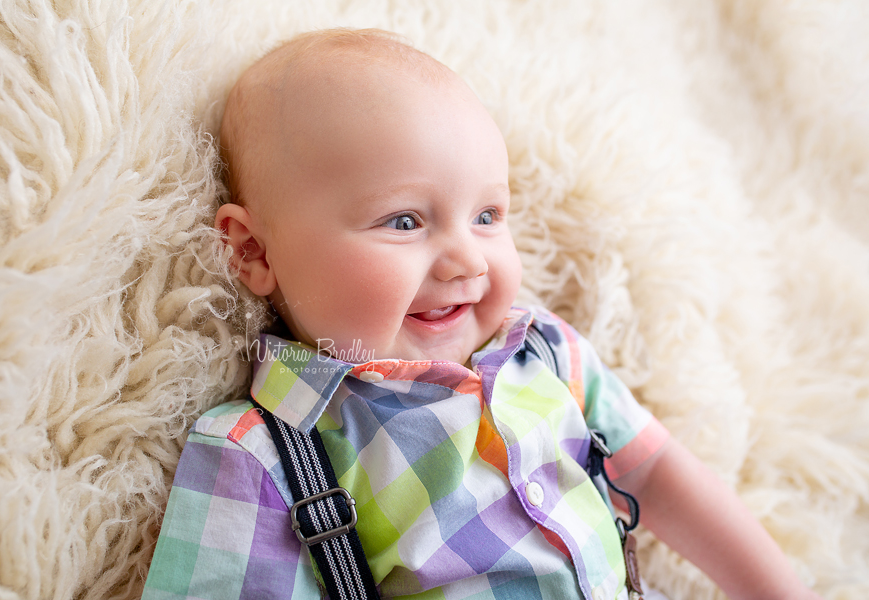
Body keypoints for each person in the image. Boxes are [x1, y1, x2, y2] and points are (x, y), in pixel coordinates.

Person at [142, 28, 822, 600]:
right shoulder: (264, 454)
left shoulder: (545, 352)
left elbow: (657, 474)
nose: (467, 260)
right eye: (405, 220)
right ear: (256, 251)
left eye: (488, 215)